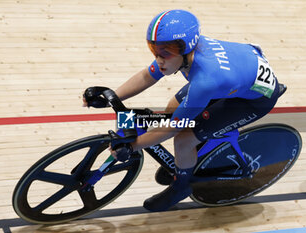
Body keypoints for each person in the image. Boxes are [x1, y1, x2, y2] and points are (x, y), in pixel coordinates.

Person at [83, 9, 280, 212]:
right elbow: (147, 76)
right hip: (235, 76)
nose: (160, 59)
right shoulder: (179, 51)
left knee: (184, 140)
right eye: (155, 50)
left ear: (186, 49)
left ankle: (181, 186)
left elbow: (173, 129)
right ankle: (191, 156)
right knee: (173, 107)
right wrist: (112, 96)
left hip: (253, 100)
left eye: (165, 53)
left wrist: (133, 146)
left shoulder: (205, 81)